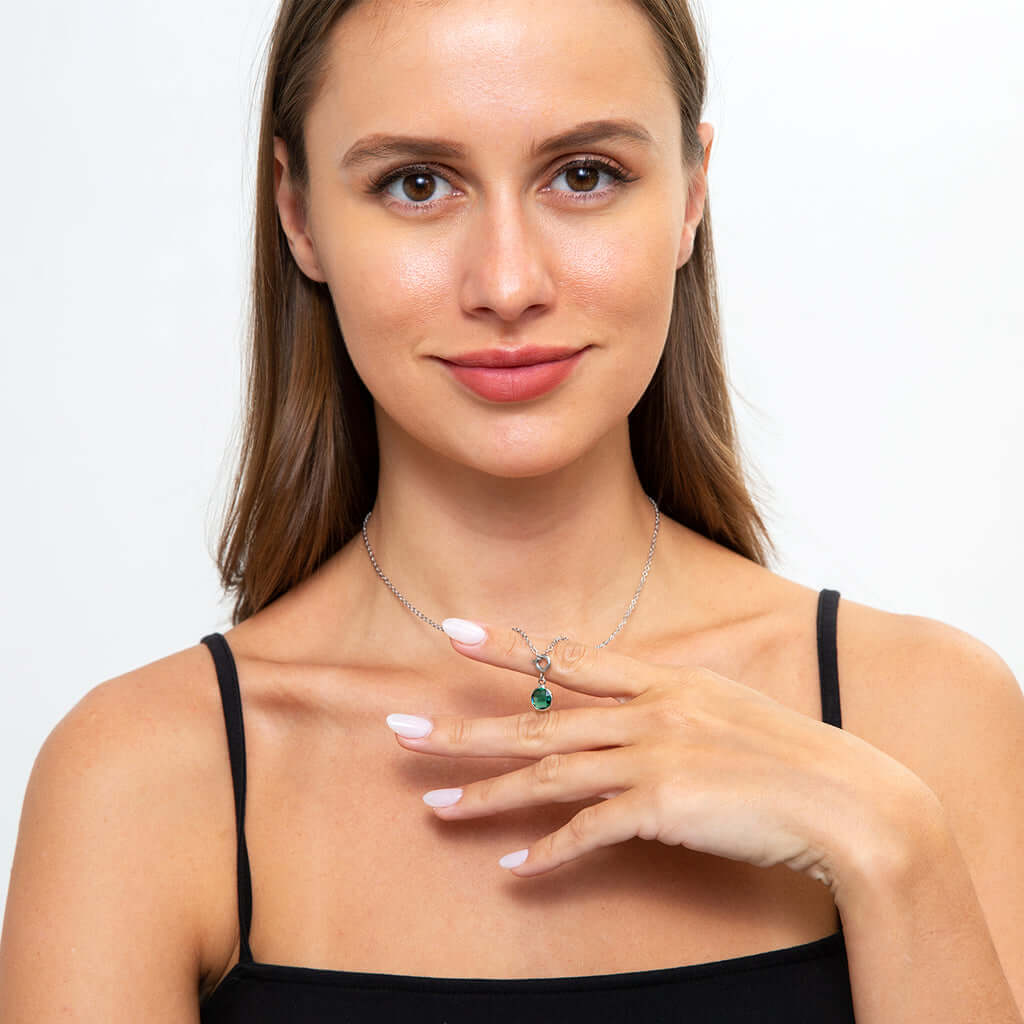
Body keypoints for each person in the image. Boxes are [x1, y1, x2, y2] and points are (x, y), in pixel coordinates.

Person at [2, 0, 1022, 1020]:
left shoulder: (923, 724)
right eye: (416, 184)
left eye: (584, 175)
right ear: (300, 214)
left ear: (690, 192)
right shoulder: (137, 781)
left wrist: (889, 846)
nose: (507, 281)